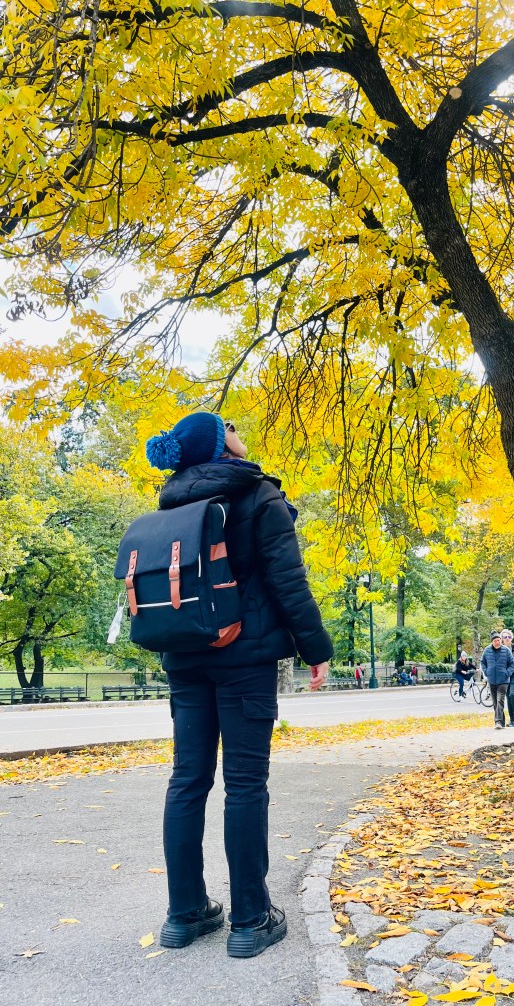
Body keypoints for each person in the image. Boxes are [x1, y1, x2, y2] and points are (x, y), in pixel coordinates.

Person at [145, 411, 333, 959]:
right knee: (246, 785)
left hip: (185, 657)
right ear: (220, 443)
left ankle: (184, 914)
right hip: (245, 658)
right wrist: (316, 649)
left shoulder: (171, 502)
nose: (236, 429)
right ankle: (251, 920)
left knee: (187, 781)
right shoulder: (257, 493)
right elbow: (288, 579)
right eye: (228, 425)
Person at [480, 631, 514, 730]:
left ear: (501, 640)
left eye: (499, 640)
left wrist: (506, 673)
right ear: (492, 642)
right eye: (495, 641)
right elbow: (482, 662)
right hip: (491, 680)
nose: (497, 642)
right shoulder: (487, 650)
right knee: (495, 702)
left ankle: (498, 721)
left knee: (500, 700)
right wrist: (486, 672)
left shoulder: (506, 650)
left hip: (503, 680)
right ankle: (501, 722)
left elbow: (512, 664)